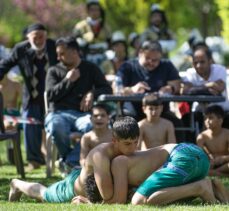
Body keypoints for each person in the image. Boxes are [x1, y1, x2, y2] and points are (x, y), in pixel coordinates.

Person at [9, 116, 139, 203]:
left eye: (135, 142)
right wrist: (89, 204)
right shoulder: (101, 155)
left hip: (83, 179)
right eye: (127, 144)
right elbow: (107, 196)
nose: (133, 148)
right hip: (72, 188)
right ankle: (17, 184)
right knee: (44, 194)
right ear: (114, 140)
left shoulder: (128, 151)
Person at [44, 36, 112, 170]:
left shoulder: (90, 68)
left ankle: (69, 160)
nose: (58, 57)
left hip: (82, 114)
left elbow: (107, 88)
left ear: (74, 52)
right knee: (56, 126)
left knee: (92, 125)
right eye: (57, 54)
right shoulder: (53, 70)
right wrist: (68, 81)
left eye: (61, 54)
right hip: (58, 113)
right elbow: (50, 96)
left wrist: (92, 93)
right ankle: (70, 159)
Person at [0, 23, 58, 170]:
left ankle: (57, 159)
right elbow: (5, 65)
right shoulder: (20, 49)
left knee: (55, 126)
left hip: (53, 96)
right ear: (28, 37)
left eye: (41, 36)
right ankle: (34, 161)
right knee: (29, 127)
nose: (39, 40)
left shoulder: (54, 46)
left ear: (46, 36)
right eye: (35, 37)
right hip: (31, 96)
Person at [84, 143, 218, 205]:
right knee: (155, 195)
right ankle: (213, 187)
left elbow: (119, 200)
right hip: (196, 156)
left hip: (181, 157)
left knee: (138, 201)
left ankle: (200, 187)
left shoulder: (118, 163)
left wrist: (92, 203)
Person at [116, 40, 184, 141]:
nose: (151, 63)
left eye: (155, 60)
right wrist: (132, 89)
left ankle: (180, 155)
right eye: (147, 58)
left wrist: (170, 88)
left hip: (160, 111)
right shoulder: (127, 66)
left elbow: (177, 84)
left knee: (177, 125)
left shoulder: (167, 65)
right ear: (140, 53)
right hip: (133, 112)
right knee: (127, 125)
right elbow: (117, 89)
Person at [182, 46, 229, 132]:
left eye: (202, 62)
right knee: (185, 120)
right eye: (195, 63)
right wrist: (208, 86)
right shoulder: (190, 72)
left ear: (210, 61)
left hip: (222, 111)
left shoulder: (220, 70)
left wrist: (195, 89)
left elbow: (219, 88)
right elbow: (185, 91)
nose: (199, 66)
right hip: (199, 112)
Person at [73, 0, 111, 67]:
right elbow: (74, 42)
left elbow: (110, 43)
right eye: (92, 10)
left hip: (102, 58)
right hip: (86, 57)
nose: (94, 12)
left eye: (97, 10)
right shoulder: (80, 26)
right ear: (88, 11)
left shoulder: (105, 27)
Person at [196, 105, 229, 176]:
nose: (207, 121)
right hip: (211, 164)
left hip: (226, 164)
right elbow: (199, 156)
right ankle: (223, 175)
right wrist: (210, 162)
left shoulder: (227, 134)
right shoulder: (201, 137)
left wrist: (223, 158)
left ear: (220, 120)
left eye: (210, 118)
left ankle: (214, 173)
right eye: (205, 118)